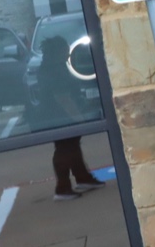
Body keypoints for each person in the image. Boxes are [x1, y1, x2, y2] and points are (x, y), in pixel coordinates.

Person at [34, 35, 104, 201]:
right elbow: (63, 97)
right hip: (60, 116)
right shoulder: (55, 70)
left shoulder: (49, 67)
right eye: (65, 49)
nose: (68, 52)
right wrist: (79, 118)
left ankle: (82, 177)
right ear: (57, 51)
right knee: (65, 149)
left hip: (54, 115)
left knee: (71, 146)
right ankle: (63, 187)